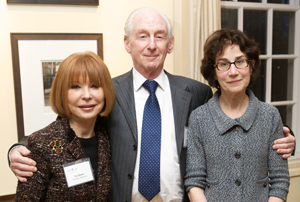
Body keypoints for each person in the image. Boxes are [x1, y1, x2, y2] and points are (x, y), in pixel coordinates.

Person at [8, 8, 295, 202]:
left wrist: (285, 134)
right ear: (127, 43)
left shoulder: (195, 92)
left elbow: (233, 113)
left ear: (170, 44)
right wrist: (18, 149)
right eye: (142, 36)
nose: (151, 45)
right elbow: (72, 129)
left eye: (160, 36)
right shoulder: (107, 92)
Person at [185, 29, 290, 202]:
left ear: (251, 65)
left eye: (240, 61)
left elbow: (280, 181)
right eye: (224, 64)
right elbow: (194, 181)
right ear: (213, 72)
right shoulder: (199, 118)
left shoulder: (270, 116)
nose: (233, 72)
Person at [14, 51, 115, 201]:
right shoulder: (42, 143)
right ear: (62, 92)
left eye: (94, 86)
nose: (87, 95)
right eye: (75, 87)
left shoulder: (109, 134)